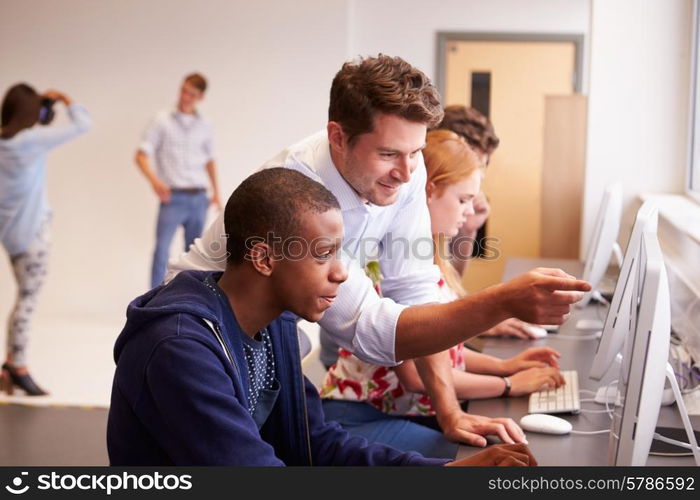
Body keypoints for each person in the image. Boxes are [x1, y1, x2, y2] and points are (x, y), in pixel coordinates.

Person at [167, 54, 591, 446]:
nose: (407, 173)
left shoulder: (406, 165)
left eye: (415, 152)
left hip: (276, 335)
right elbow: (374, 332)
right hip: (209, 331)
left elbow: (416, 291)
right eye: (388, 153)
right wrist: (503, 302)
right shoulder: (298, 190)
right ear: (337, 136)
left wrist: (449, 413)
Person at [107, 168, 537, 466]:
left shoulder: (272, 325)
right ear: (263, 259)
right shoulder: (179, 349)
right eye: (323, 254)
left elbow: (314, 442)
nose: (340, 272)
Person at [320, 130, 564, 458]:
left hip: (396, 410)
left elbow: (445, 354)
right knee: (483, 455)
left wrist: (505, 367)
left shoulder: (429, 261)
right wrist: (508, 385)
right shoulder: (386, 268)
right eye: (462, 200)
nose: (467, 214)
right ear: (429, 191)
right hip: (356, 419)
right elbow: (415, 377)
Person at [0, 84, 91, 395]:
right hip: (33, 236)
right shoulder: (31, 142)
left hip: (10, 237)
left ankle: (11, 364)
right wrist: (67, 100)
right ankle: (17, 366)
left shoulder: (5, 142)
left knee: (22, 298)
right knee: (28, 300)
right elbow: (83, 125)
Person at [436, 105, 538, 339]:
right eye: (472, 164)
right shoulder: (426, 207)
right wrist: (479, 323)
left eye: (483, 166)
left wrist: (469, 229)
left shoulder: (454, 207)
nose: (478, 176)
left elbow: (449, 287)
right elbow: (418, 318)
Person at [136, 73, 222, 288]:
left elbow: (209, 160)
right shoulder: (162, 120)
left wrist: (216, 192)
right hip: (172, 197)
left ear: (200, 97)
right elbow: (141, 155)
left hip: (198, 197)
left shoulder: (205, 125)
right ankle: (154, 300)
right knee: (162, 250)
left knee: (195, 256)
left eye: (191, 94)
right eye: (183, 90)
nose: (185, 97)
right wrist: (155, 182)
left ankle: (188, 300)